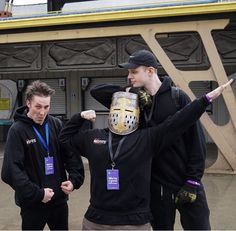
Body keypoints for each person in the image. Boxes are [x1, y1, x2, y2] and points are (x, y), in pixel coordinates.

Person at [59, 79, 233, 230]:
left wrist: (204, 100)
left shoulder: (146, 138)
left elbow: (177, 122)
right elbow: (65, 139)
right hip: (97, 219)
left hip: (134, 221)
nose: (122, 113)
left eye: (129, 109)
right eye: (118, 107)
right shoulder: (94, 137)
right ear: (110, 109)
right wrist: (79, 117)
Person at [90, 49, 213, 230]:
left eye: (134, 71)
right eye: (129, 72)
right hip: (156, 186)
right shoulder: (132, 102)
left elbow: (196, 141)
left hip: (186, 181)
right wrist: (130, 91)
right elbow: (96, 91)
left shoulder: (177, 98)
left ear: (150, 71)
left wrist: (193, 181)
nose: (129, 76)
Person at [1, 80, 84, 230]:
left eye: (46, 107)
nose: (42, 112)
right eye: (38, 106)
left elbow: (71, 155)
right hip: (33, 203)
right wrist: (37, 194)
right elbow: (11, 171)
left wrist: (73, 180)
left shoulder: (56, 124)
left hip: (58, 200)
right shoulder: (17, 130)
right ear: (28, 103)